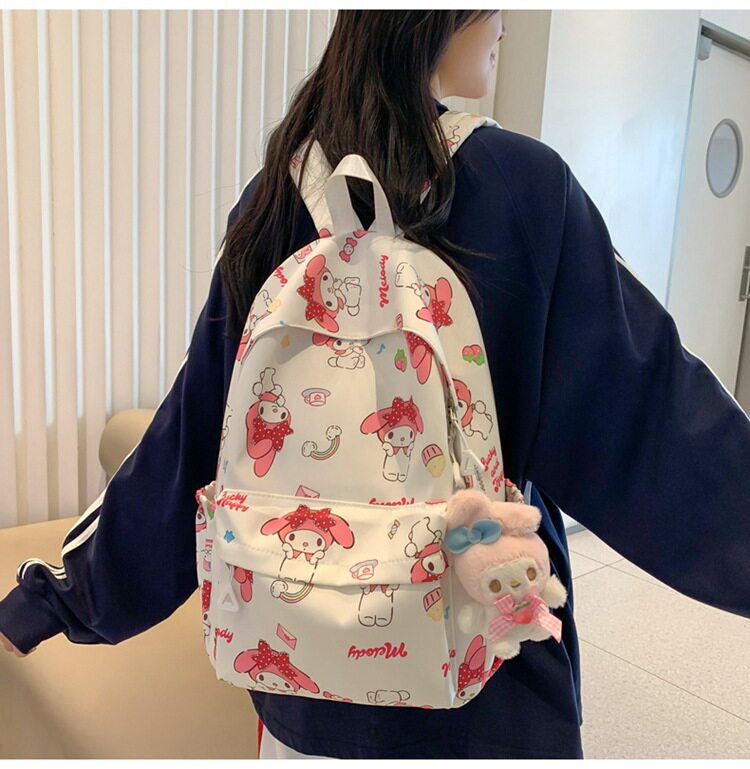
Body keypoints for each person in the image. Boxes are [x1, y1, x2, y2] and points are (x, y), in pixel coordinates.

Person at [1, 9, 749, 760]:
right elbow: (653, 417)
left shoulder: (274, 196)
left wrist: (52, 599)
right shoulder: (523, 188)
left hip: (299, 686)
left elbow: (189, 439)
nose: (505, 22)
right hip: (481, 689)